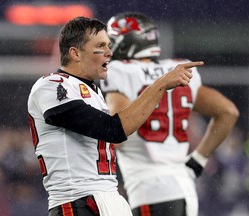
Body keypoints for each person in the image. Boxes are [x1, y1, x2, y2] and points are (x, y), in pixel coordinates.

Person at [27, 16, 203, 216]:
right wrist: (160, 84)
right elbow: (112, 129)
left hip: (109, 198)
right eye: (100, 46)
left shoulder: (93, 92)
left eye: (109, 45)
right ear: (75, 53)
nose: (110, 53)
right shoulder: (53, 86)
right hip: (76, 201)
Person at [100, 12, 239, 216]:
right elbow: (228, 111)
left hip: (151, 190)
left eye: (110, 42)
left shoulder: (120, 71)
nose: (106, 48)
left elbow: (114, 134)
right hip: (185, 189)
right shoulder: (175, 71)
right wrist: (199, 158)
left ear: (124, 44)